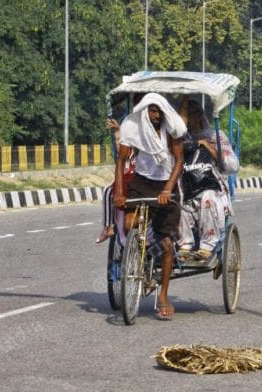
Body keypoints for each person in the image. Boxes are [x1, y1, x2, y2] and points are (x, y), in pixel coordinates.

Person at [111, 92, 186, 320]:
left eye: (158, 111)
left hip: (166, 185)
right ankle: (137, 252)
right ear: (145, 112)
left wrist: (167, 190)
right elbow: (121, 161)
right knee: (128, 224)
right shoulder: (134, 128)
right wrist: (120, 193)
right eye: (152, 111)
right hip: (142, 183)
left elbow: (179, 161)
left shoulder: (171, 130)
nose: (155, 115)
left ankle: (162, 295)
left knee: (166, 243)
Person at [176, 97, 239, 263]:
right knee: (177, 200)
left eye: (197, 113)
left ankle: (206, 246)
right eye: (190, 114)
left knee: (207, 198)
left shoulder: (215, 135)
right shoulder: (179, 139)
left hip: (211, 184)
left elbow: (231, 166)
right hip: (186, 182)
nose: (195, 117)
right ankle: (185, 244)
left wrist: (208, 147)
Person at [95, 93, 144, 244]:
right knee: (109, 190)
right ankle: (109, 227)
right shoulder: (130, 124)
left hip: (153, 177)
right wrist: (118, 131)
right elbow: (122, 154)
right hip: (133, 174)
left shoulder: (160, 125)